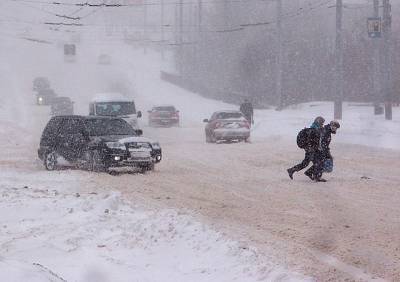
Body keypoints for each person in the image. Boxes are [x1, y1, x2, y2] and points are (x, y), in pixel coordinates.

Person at [287, 116, 325, 180]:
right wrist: (311, 148)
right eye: (321, 123)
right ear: (318, 122)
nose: (322, 124)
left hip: (311, 149)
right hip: (311, 150)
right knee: (317, 162)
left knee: (308, 163)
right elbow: (312, 141)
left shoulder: (315, 129)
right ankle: (315, 176)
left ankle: (292, 170)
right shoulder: (313, 130)